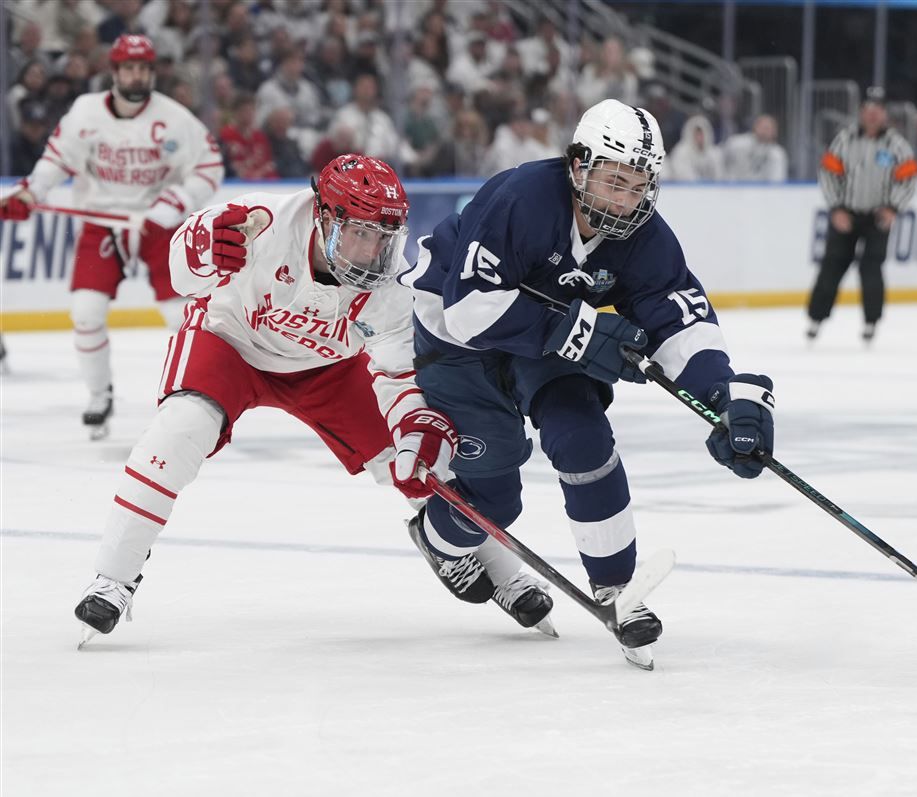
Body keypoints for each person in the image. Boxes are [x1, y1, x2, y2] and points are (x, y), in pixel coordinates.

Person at [71, 155, 544, 644]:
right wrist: (203, 250)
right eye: (361, 233)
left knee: (419, 461)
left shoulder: (390, 286)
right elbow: (180, 275)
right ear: (324, 217)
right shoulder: (258, 223)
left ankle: (501, 568)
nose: (372, 251)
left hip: (328, 369)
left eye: (384, 237)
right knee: (176, 434)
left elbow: (401, 371)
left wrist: (414, 428)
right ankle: (113, 577)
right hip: (229, 341)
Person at [398, 99, 775, 669]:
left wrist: (724, 398)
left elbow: (680, 318)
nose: (626, 200)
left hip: (544, 339)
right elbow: (469, 310)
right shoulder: (521, 197)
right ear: (579, 164)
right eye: (614, 180)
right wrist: (580, 334)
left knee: (583, 435)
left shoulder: (644, 236)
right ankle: (438, 536)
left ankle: (617, 589)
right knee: (495, 498)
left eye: (639, 185)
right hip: (456, 342)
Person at [0, 34, 224, 439]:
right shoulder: (85, 113)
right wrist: (31, 192)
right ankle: (99, 396)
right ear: (115, 71)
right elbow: (55, 161)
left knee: (182, 317)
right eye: (129, 68)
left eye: (143, 68)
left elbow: (209, 167)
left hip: (158, 226)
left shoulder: (175, 118)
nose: (136, 75)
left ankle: (201, 397)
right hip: (101, 221)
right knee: (85, 312)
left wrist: (175, 200)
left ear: (152, 72)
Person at [808, 86, 917, 344]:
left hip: (878, 216)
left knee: (872, 268)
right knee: (832, 265)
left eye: (877, 110)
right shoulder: (844, 139)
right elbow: (828, 173)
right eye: (868, 110)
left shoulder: (897, 145)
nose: (872, 115)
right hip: (846, 213)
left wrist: (893, 208)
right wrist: (836, 208)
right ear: (861, 112)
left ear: (884, 115)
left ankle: (871, 321)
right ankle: (816, 318)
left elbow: (910, 179)